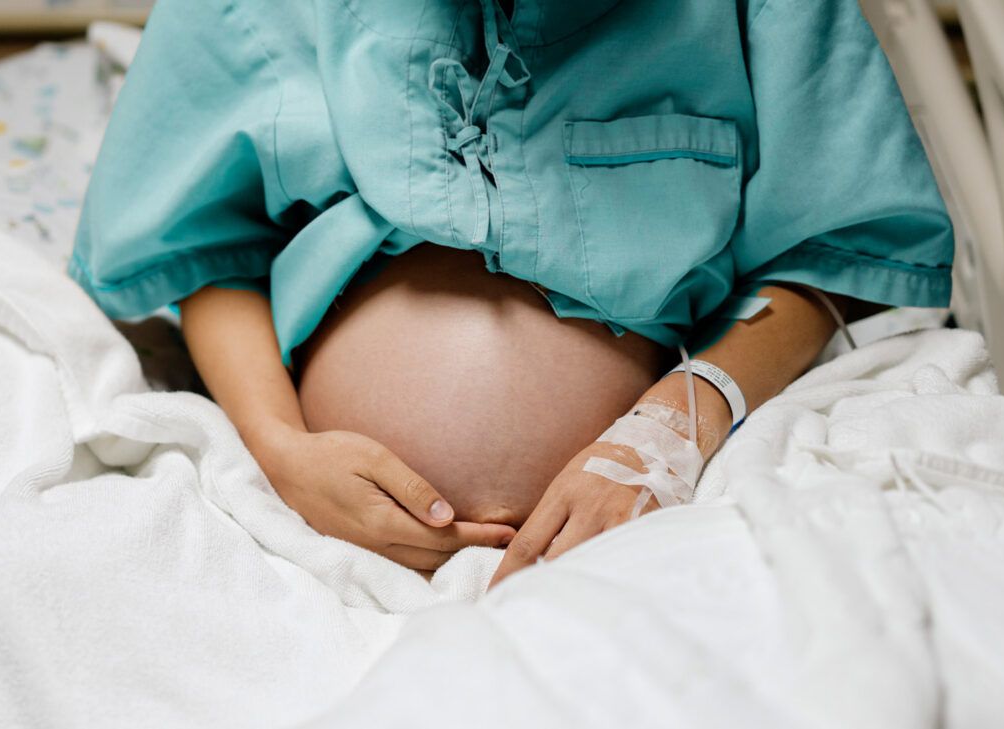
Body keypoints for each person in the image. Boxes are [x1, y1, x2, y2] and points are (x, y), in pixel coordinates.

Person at [70, 0, 953, 587]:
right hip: (311, 534)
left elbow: (836, 252)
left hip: (642, 535)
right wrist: (279, 450)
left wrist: (675, 426)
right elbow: (206, 248)